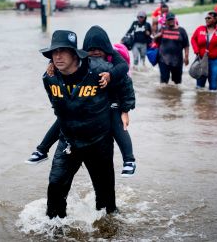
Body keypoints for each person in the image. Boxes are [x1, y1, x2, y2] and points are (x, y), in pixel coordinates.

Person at [28, 26, 137, 177]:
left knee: (118, 123)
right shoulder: (83, 63)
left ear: (106, 49)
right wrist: (51, 64)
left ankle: (129, 160)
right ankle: (41, 150)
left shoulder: (114, 59)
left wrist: (125, 109)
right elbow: (65, 61)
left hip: (114, 97)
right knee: (64, 118)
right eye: (91, 50)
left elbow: (126, 82)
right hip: (91, 105)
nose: (95, 52)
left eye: (99, 49)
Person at [39, 30, 119, 218]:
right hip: (69, 141)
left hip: (98, 141)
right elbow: (59, 111)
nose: (57, 56)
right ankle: (55, 231)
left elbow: (124, 84)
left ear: (75, 54)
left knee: (106, 202)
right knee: (55, 188)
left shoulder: (100, 70)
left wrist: (123, 110)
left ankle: (109, 233)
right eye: (54, 52)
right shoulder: (49, 78)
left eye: (63, 51)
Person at [191, 11, 217, 91]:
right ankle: (200, 102)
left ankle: (212, 102)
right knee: (200, 85)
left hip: (216, 61)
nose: (206, 19)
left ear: (215, 19)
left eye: (209, 18)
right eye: (206, 18)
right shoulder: (200, 29)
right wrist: (196, 50)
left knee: (213, 85)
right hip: (202, 59)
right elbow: (193, 39)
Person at [154, 12, 189, 84]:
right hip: (163, 59)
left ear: (175, 19)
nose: (171, 21)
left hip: (177, 61)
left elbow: (186, 45)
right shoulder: (162, 29)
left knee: (177, 83)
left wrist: (186, 57)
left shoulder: (181, 31)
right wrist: (158, 35)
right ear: (166, 21)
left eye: (172, 19)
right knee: (164, 82)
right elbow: (155, 42)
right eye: (169, 20)